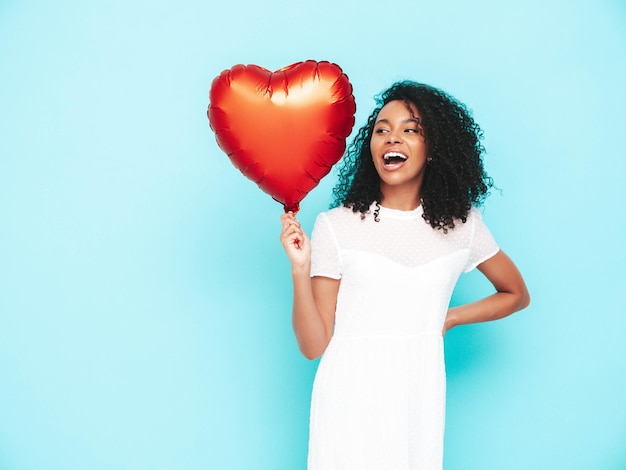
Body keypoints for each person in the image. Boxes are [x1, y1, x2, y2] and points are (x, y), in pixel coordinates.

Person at [279, 81, 530, 470]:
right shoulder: (336, 226)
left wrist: (450, 318)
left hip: (418, 397)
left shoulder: (464, 227)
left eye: (410, 129)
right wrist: (300, 270)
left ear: (433, 150)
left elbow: (515, 293)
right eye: (382, 129)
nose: (392, 137)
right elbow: (313, 346)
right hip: (348, 399)